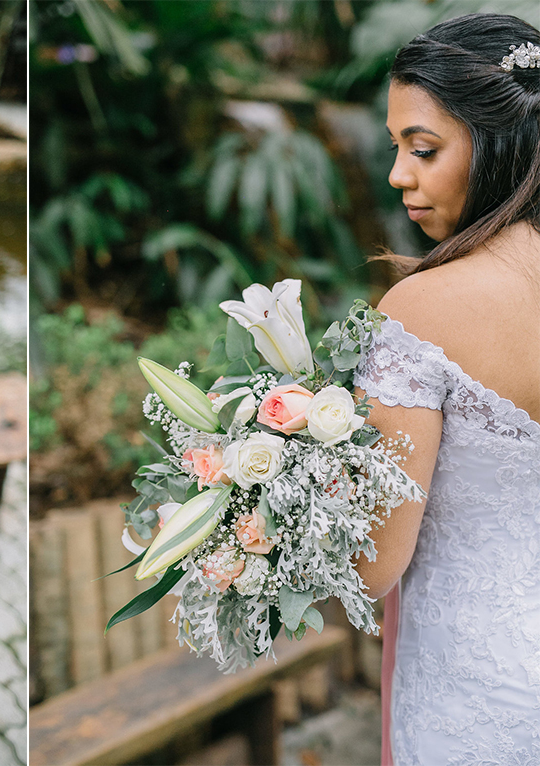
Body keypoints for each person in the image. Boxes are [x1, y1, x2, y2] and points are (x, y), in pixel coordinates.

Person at [351, 13, 540, 765]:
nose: (399, 175)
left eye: (422, 149)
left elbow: (373, 564)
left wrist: (261, 508)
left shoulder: (422, 312)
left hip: (478, 693)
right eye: (397, 148)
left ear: (499, 143)